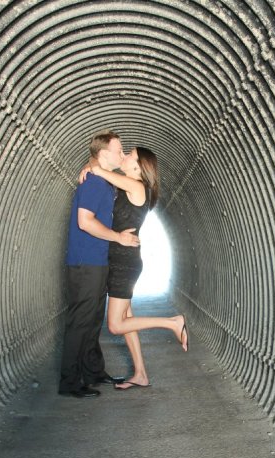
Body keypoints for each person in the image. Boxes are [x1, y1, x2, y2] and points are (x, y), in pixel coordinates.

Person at [81, 147, 188, 390]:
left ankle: (173, 322)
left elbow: (99, 169)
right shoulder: (126, 186)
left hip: (124, 263)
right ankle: (140, 374)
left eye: (129, 154)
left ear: (138, 167)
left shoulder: (137, 187)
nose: (124, 155)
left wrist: (92, 168)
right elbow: (100, 173)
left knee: (116, 325)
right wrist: (91, 170)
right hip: (121, 259)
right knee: (127, 318)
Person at [59, 131, 140, 398]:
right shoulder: (94, 183)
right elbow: (85, 221)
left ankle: (93, 372)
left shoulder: (103, 182)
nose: (123, 154)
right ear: (104, 154)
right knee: (80, 322)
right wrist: (119, 237)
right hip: (85, 262)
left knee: (93, 320)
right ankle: (70, 382)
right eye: (119, 150)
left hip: (97, 260)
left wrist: (90, 166)